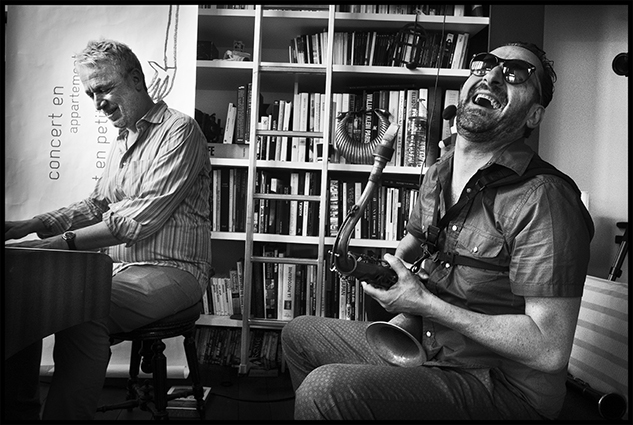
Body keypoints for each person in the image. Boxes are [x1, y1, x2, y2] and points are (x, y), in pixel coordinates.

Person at [281, 41, 594, 420]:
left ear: (533, 115)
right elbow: (415, 243)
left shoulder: (545, 198)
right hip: (432, 349)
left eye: (516, 74)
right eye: (485, 65)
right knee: (298, 335)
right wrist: (391, 272)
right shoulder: (437, 174)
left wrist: (425, 305)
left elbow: (549, 349)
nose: (494, 76)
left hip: (505, 389)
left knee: (325, 390)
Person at [4, 39, 212, 420]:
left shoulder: (180, 132)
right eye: (89, 94)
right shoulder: (123, 139)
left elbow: (136, 220)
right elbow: (97, 205)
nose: (97, 103)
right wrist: (29, 226)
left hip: (176, 271)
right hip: (119, 270)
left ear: (136, 80)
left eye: (102, 89)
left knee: (83, 309)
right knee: (26, 293)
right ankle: (19, 411)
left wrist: (57, 244)